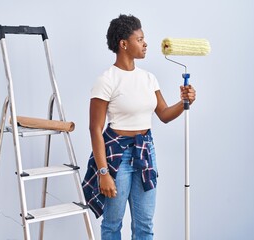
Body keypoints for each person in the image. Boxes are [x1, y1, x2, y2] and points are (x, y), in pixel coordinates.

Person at [82, 14, 196, 240]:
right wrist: (103, 172)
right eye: (140, 39)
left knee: (144, 224)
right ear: (123, 44)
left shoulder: (149, 78)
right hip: (117, 157)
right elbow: (95, 129)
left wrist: (185, 102)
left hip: (145, 152)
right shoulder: (106, 80)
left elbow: (163, 114)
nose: (145, 44)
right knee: (113, 224)